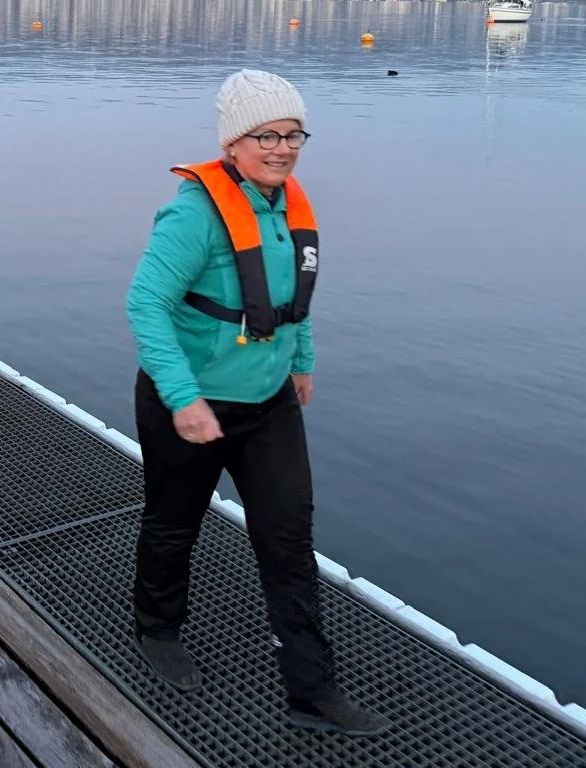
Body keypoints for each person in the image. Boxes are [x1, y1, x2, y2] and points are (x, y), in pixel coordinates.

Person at [125, 68, 390, 736]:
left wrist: (301, 362)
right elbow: (145, 304)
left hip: (268, 403)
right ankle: (157, 629)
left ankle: (311, 689)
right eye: (266, 136)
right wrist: (183, 398)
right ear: (233, 144)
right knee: (172, 523)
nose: (282, 148)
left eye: (293, 134)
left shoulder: (288, 206)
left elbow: (291, 301)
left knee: (289, 539)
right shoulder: (194, 212)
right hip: (190, 403)